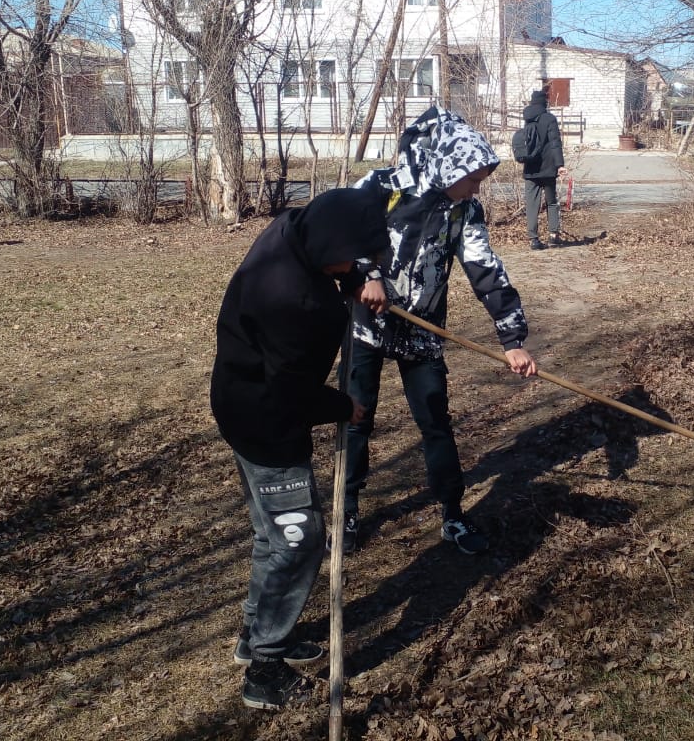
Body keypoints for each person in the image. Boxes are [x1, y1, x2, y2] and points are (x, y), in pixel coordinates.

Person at [210, 188, 391, 711]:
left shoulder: (292, 228)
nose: (352, 266)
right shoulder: (292, 299)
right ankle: (264, 669)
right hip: (268, 421)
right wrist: (341, 407)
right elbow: (291, 389)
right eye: (350, 258)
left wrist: (357, 277)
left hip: (240, 403)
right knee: (298, 540)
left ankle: (256, 633)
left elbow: (335, 261)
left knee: (273, 534)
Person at [343, 105, 537, 556]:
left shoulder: (463, 211)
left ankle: (452, 514)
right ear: (449, 165)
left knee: (435, 422)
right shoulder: (381, 186)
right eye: (471, 178)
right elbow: (341, 235)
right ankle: (347, 509)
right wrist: (366, 274)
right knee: (355, 418)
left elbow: (485, 269)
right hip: (365, 325)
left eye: (479, 181)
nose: (475, 188)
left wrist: (512, 340)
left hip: (422, 331)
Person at [521, 88, 568, 250]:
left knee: (532, 205)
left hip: (530, 168)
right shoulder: (549, 119)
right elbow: (555, 143)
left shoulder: (527, 118)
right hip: (548, 169)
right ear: (545, 103)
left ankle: (533, 240)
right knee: (552, 202)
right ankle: (553, 236)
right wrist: (560, 165)